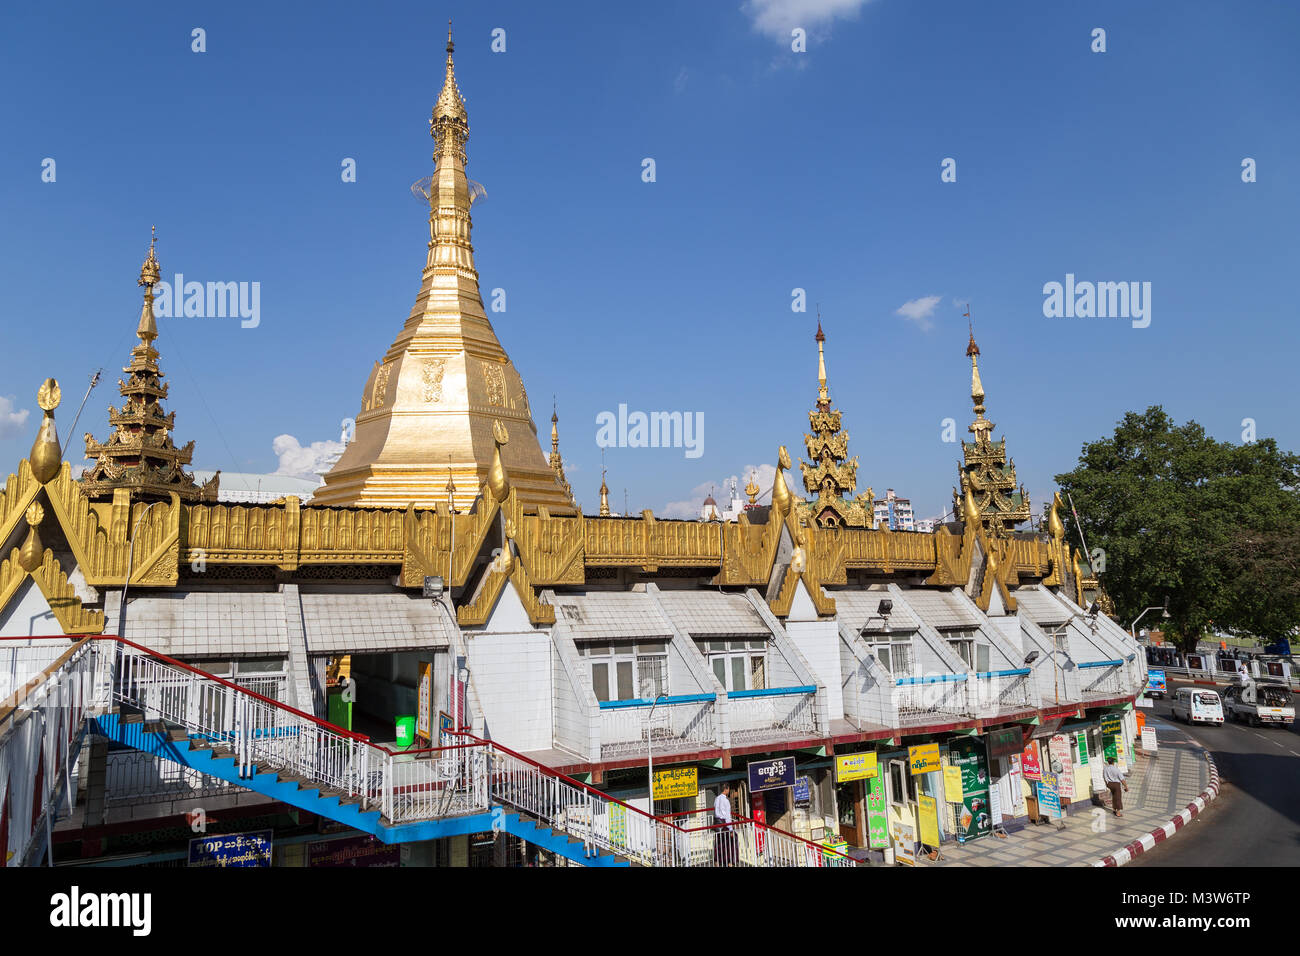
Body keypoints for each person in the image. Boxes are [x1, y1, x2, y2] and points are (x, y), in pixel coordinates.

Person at [713, 782, 736, 866]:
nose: (729, 791)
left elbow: (715, 812)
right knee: (731, 842)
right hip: (723, 824)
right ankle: (730, 863)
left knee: (718, 843)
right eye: (728, 789)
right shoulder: (726, 801)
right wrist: (731, 829)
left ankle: (717, 862)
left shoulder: (716, 798)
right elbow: (727, 816)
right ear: (726, 789)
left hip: (717, 823)